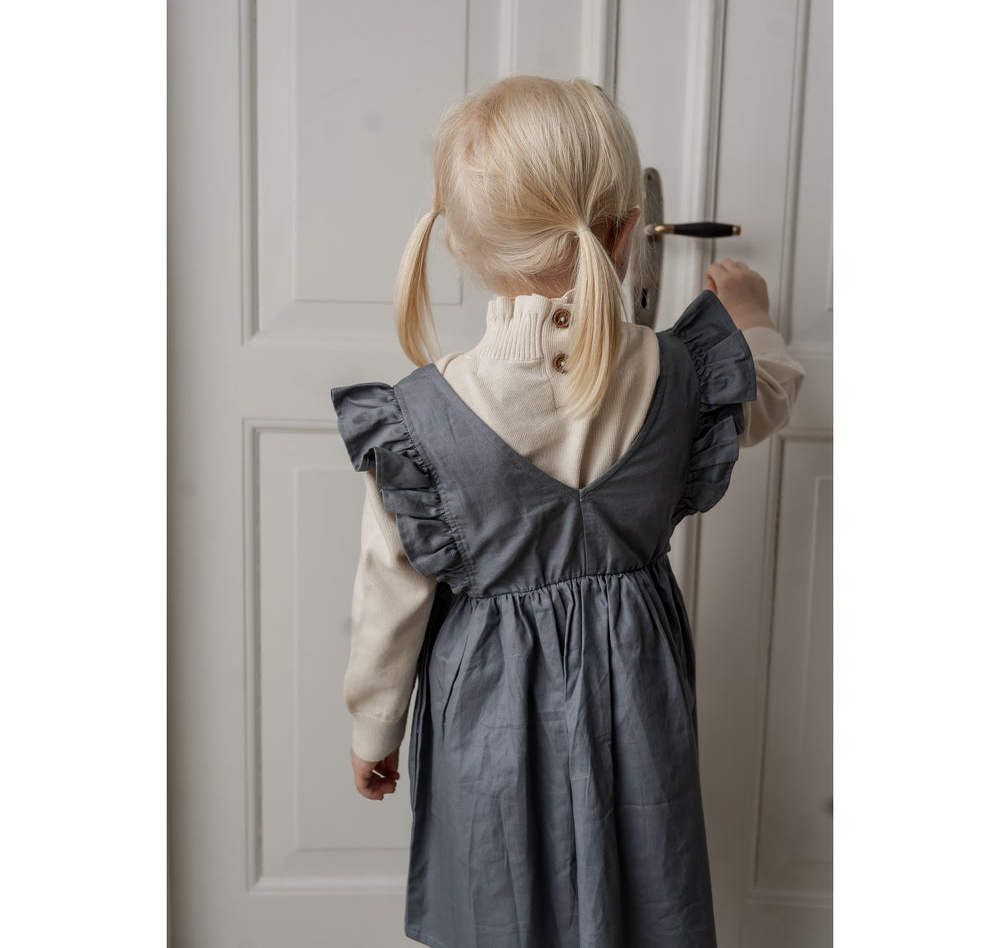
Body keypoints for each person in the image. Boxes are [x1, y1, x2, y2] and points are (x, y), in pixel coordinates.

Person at [330, 75, 805, 948]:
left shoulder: (425, 416)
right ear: (626, 234)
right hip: (638, 695)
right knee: (640, 890)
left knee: (500, 895)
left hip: (489, 708)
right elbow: (767, 394)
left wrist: (374, 725)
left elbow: (388, 594)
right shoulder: (680, 372)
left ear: (462, 244)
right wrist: (754, 318)